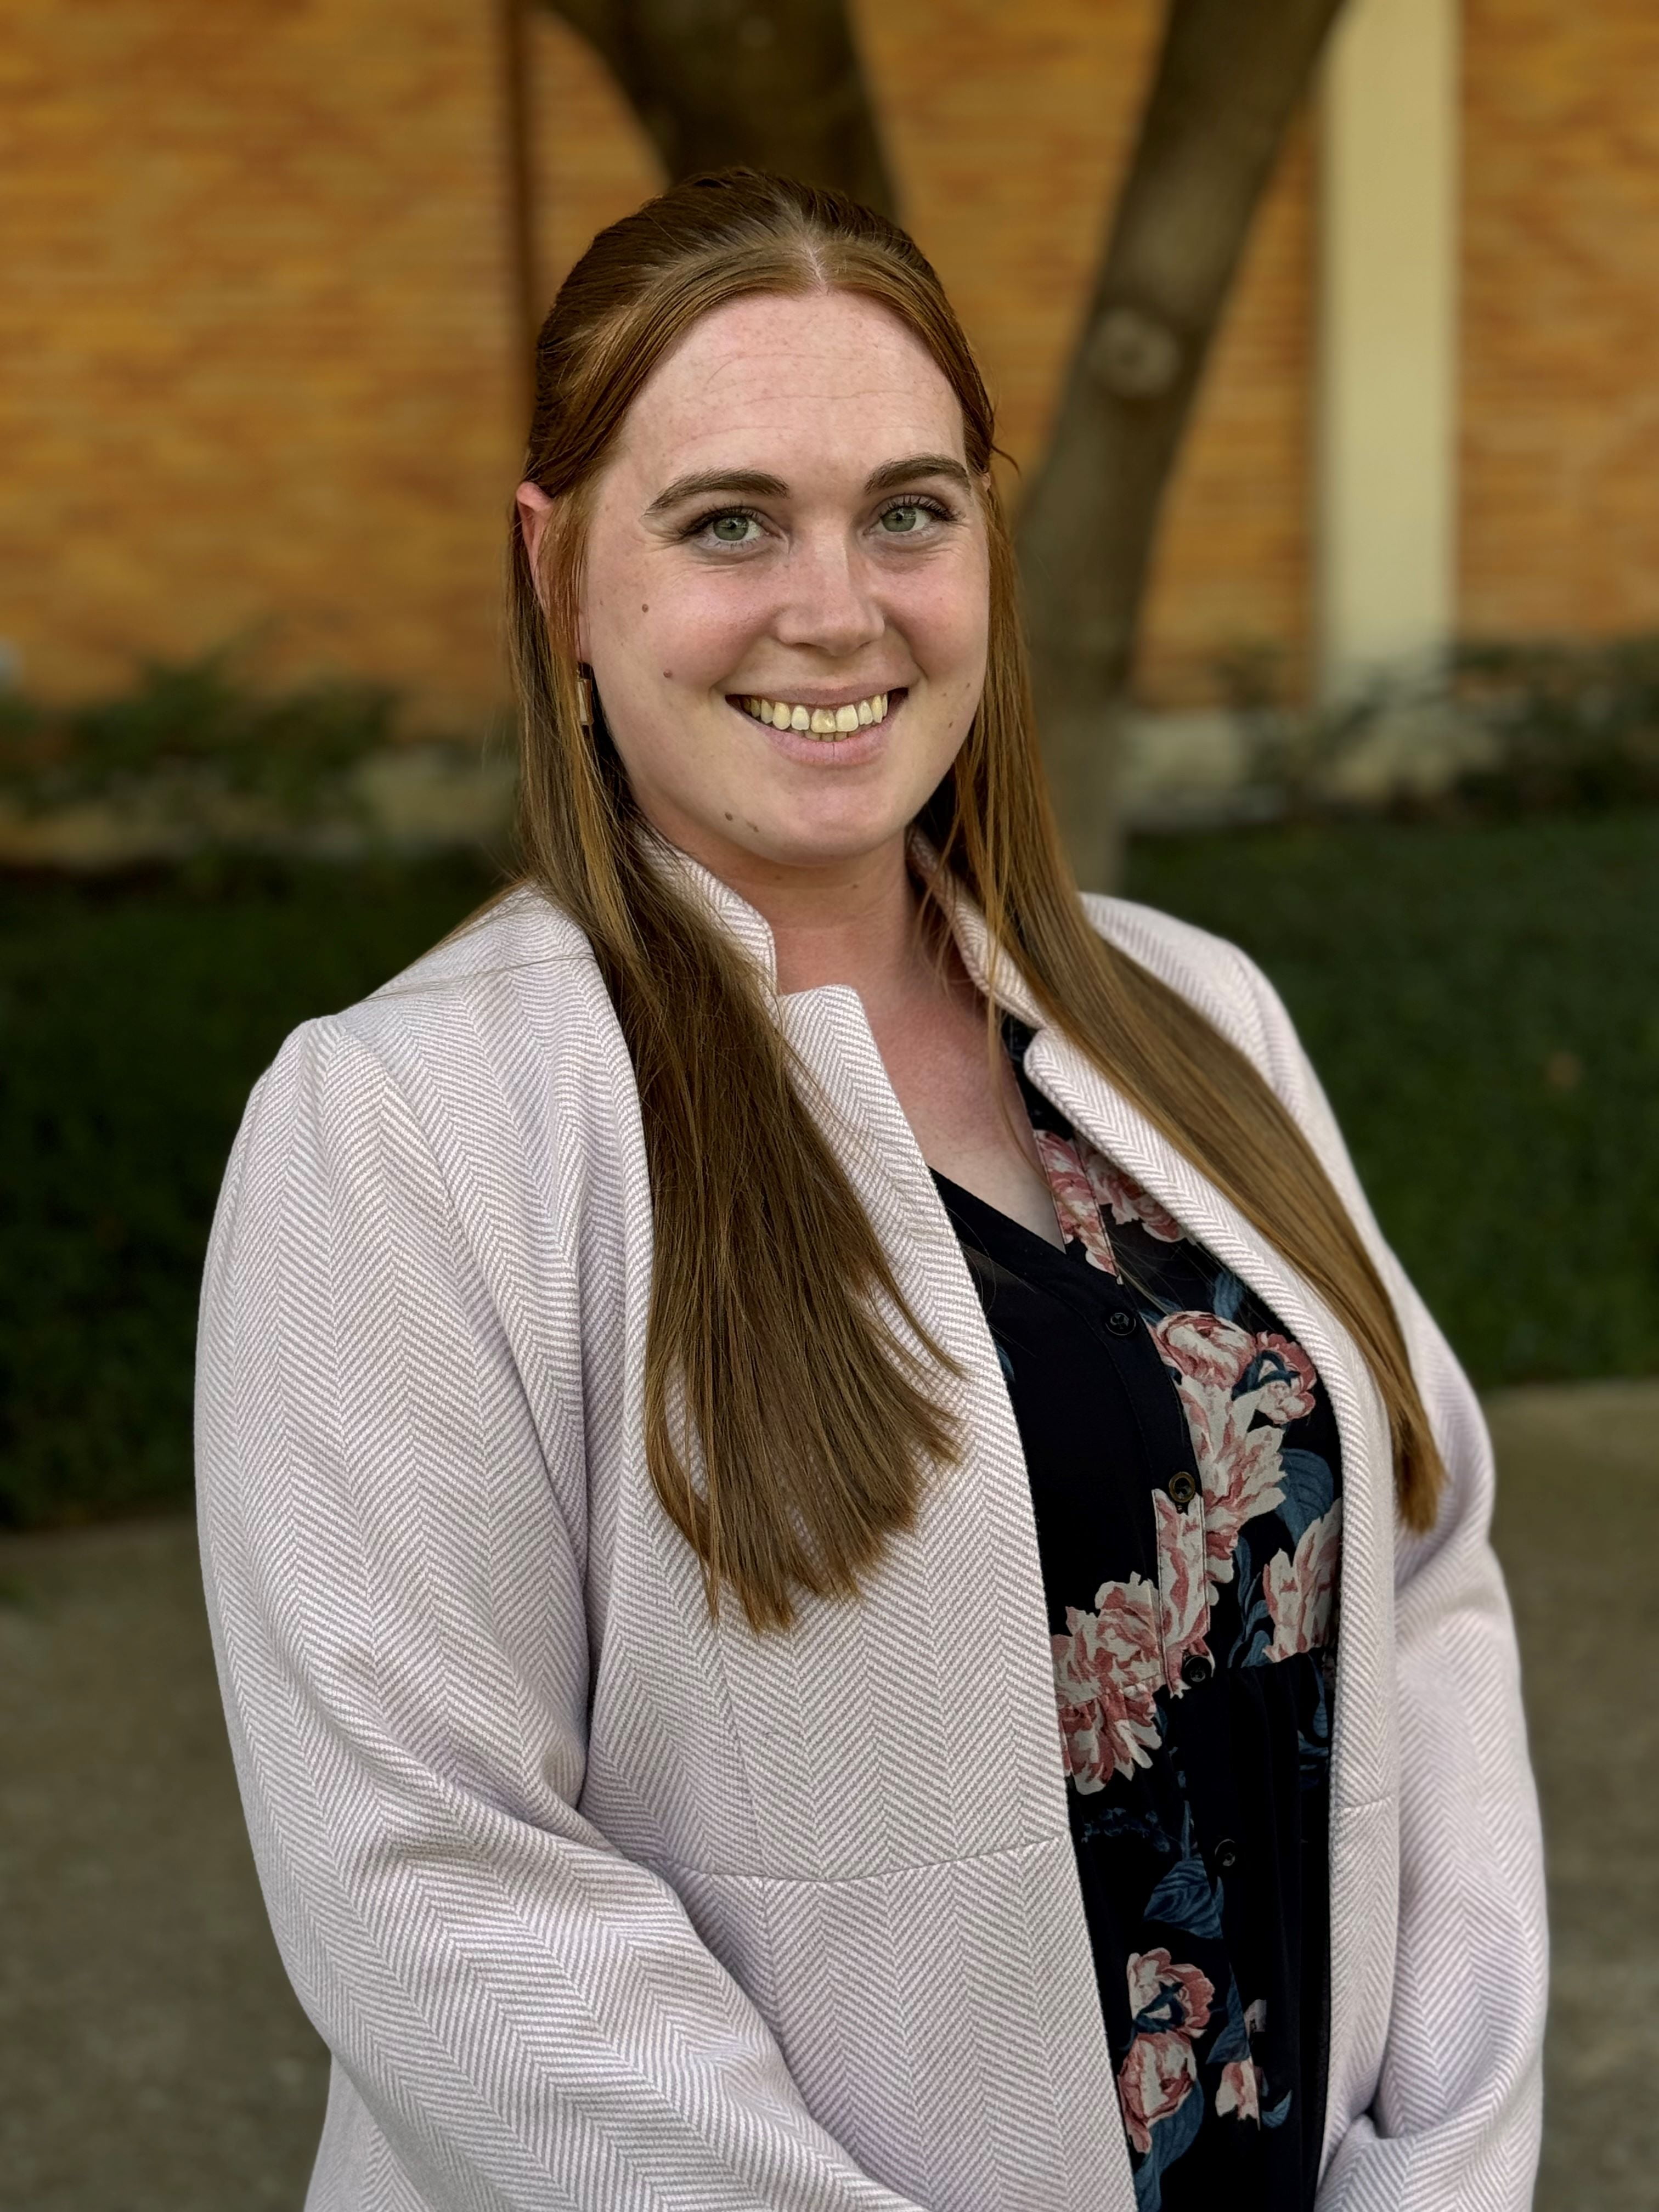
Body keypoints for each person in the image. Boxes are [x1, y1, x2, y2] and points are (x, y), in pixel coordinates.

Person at [196, 170, 1545, 2212]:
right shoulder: (402, 1130)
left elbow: (1425, 1598)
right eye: (730, 520)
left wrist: (1442, 2161)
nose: (839, 606)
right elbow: (438, 1892)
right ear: (560, 574)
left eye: (909, 510)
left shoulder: (1201, 1013)